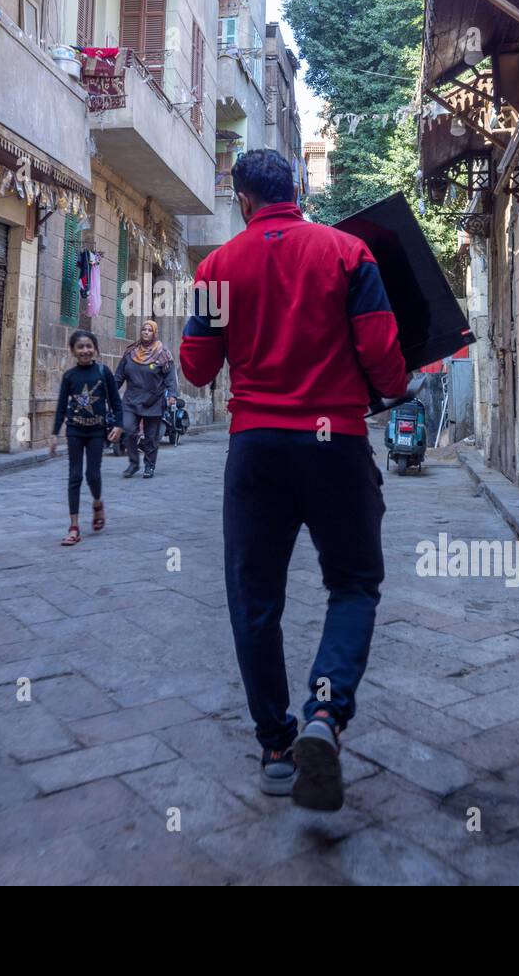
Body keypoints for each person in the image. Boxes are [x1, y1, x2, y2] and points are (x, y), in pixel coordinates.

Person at [180, 149, 407, 811]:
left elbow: (196, 368)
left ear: (243, 200)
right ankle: (323, 718)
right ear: (298, 190)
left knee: (255, 600)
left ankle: (277, 747)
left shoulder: (217, 268)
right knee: (355, 583)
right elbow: (381, 352)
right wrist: (395, 387)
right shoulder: (346, 253)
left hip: (255, 448)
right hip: (335, 441)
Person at [49, 329, 123, 545]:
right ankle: (73, 527)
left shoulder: (103, 372)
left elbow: (117, 403)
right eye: (80, 347)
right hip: (75, 430)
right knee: (74, 476)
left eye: (89, 346)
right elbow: (62, 406)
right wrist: (54, 433)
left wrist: (118, 425)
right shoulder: (69, 377)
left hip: (97, 432)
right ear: (72, 350)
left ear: (95, 349)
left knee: (92, 474)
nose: (85, 350)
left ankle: (98, 503)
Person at [116, 319, 176, 479]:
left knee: (150, 437)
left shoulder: (163, 354)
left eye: (149, 330)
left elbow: (170, 377)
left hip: (153, 401)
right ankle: (134, 463)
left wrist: (172, 394)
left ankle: (149, 465)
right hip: (131, 401)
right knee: (128, 431)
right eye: (144, 329)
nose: (146, 332)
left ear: (154, 333)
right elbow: (119, 376)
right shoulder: (130, 353)